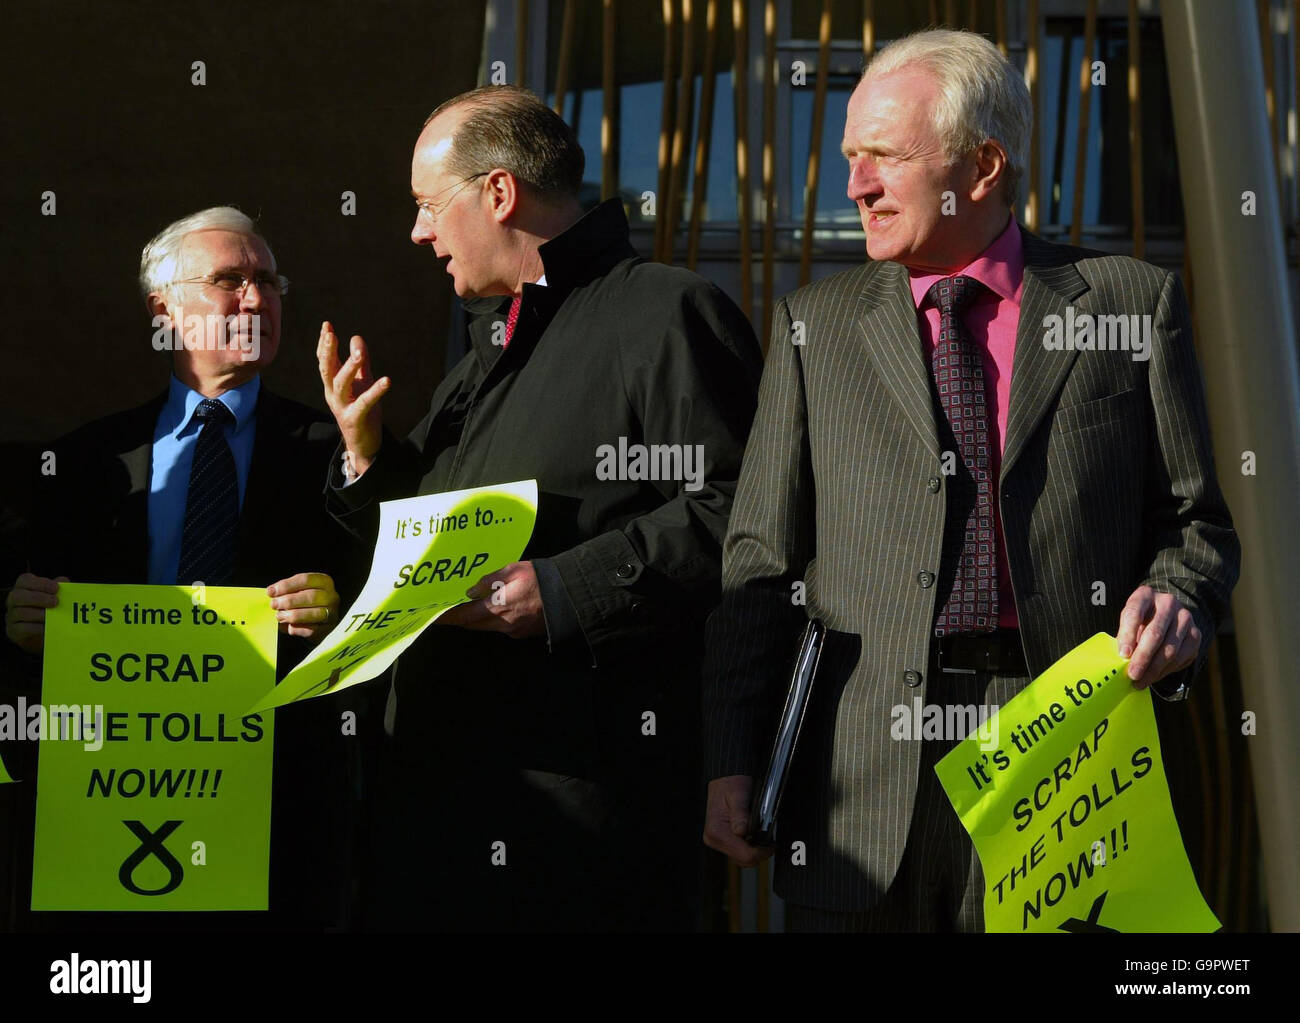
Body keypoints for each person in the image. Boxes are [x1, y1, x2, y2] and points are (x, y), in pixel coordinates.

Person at [701, 29, 1241, 932]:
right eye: (849, 157)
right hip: (858, 784)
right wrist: (732, 756)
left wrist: (1178, 595)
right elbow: (760, 560)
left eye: (882, 157)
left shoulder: (1128, 301)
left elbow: (1195, 524)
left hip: (1067, 762)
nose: (854, 186)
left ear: (984, 165)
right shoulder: (813, 327)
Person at [318, 85, 762, 931]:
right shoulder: (485, 350)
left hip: (582, 820)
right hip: (440, 809)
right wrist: (367, 457)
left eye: (426, 206)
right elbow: (416, 549)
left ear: (497, 193)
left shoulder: (663, 311)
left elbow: (743, 511)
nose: (417, 233)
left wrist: (563, 591)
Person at [2, 206, 363, 931]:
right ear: (161, 307)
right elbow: (31, 626)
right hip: (110, 812)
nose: (257, 299)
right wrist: (19, 623)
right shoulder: (81, 463)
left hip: (278, 819)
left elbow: (390, 605)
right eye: (231, 280)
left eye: (268, 280)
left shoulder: (340, 451)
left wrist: (340, 606)